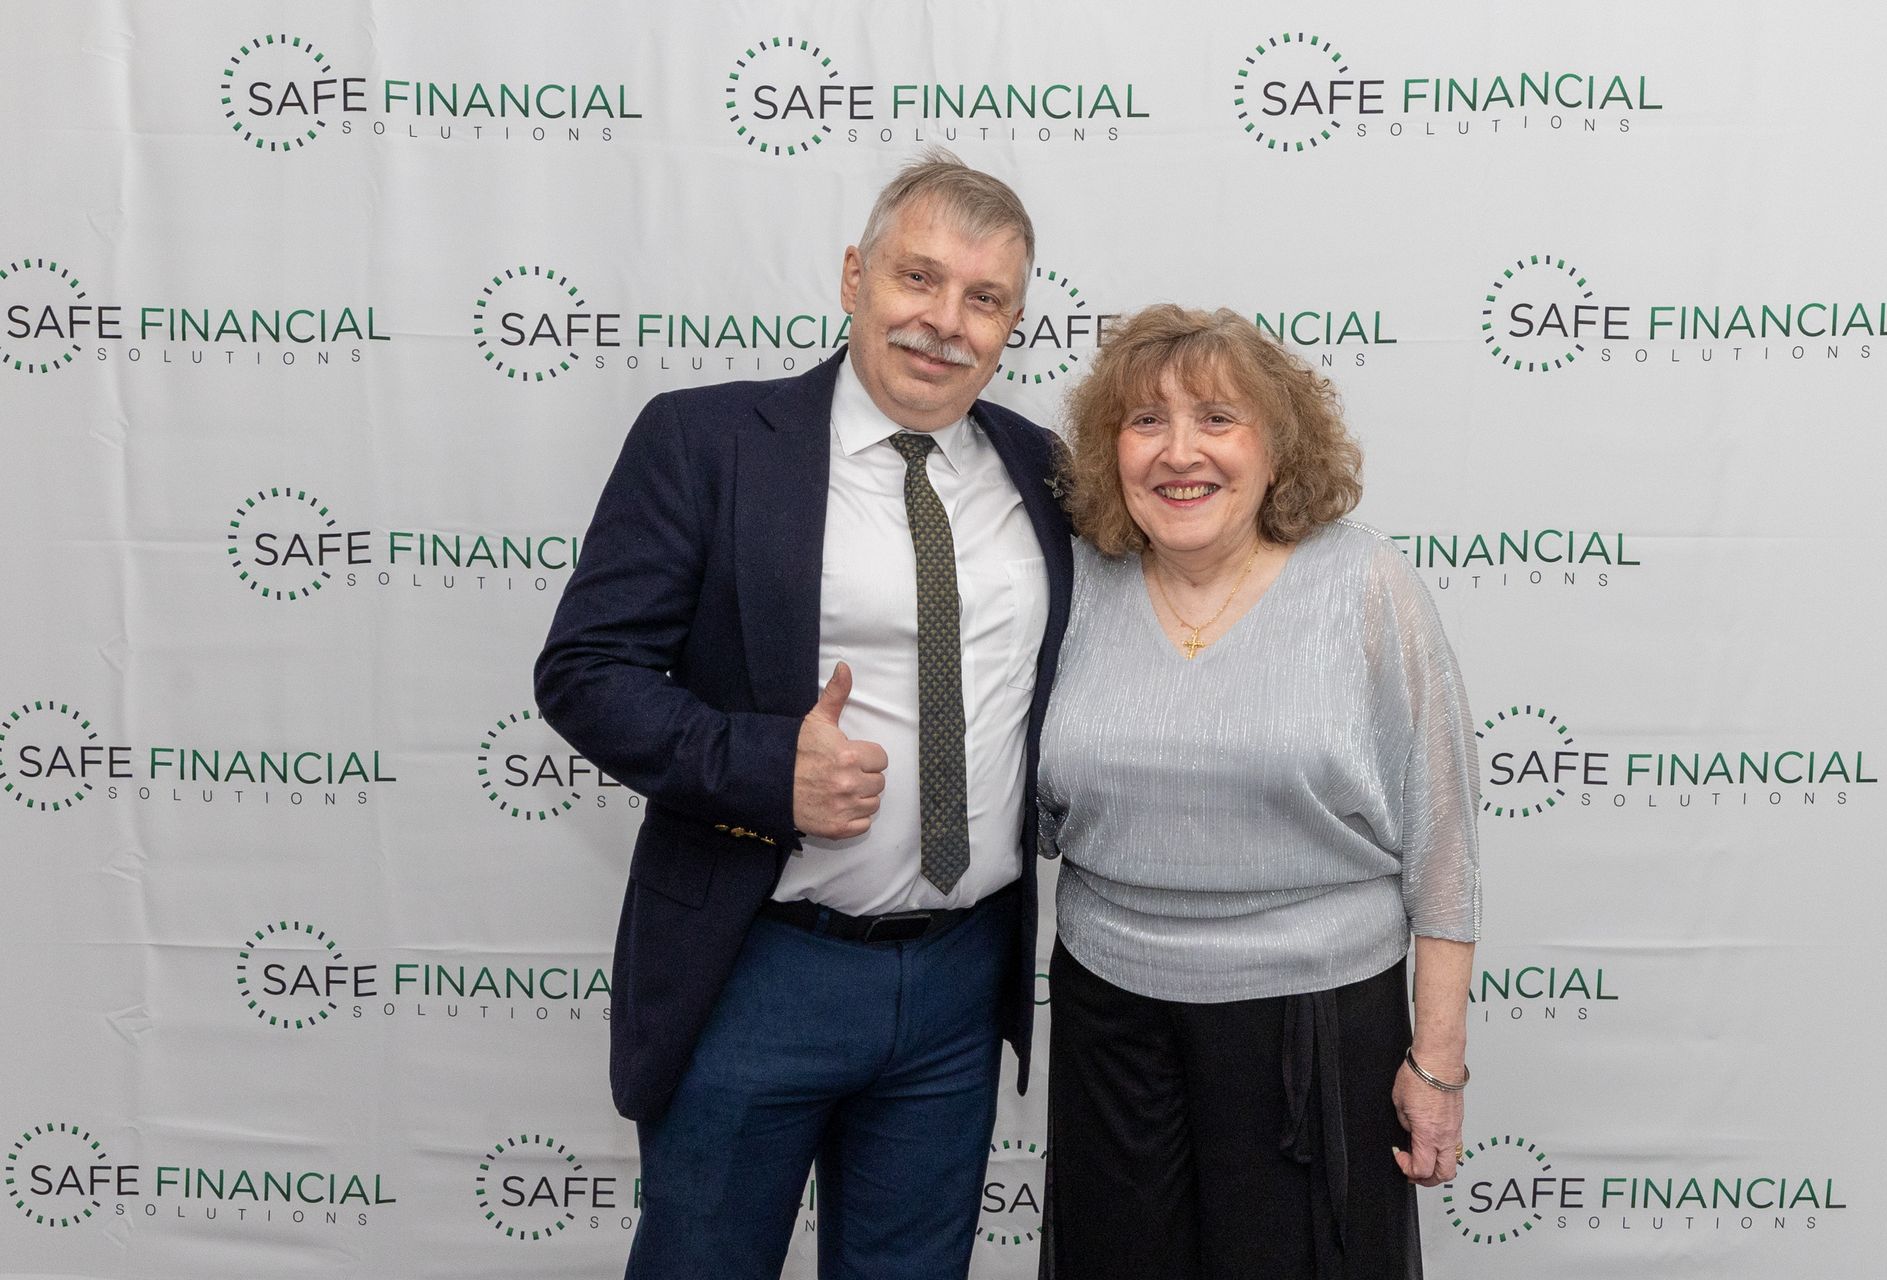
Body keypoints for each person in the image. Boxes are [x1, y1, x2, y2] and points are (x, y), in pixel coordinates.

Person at [533, 149, 1072, 1280]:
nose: (943, 321)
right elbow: (584, 669)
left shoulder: (1041, 470)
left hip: (958, 984)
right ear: (853, 277)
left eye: (984, 299)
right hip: (757, 966)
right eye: (916, 278)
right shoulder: (708, 442)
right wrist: (763, 763)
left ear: (1015, 322)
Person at [1036, 304, 1479, 1278]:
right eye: (1145, 421)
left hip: (1313, 1027)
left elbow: (1443, 847)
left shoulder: (1367, 586)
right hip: (1109, 1023)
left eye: (1217, 419)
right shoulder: (1072, 585)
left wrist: (1437, 1058)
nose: (1178, 451)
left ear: (1278, 448)